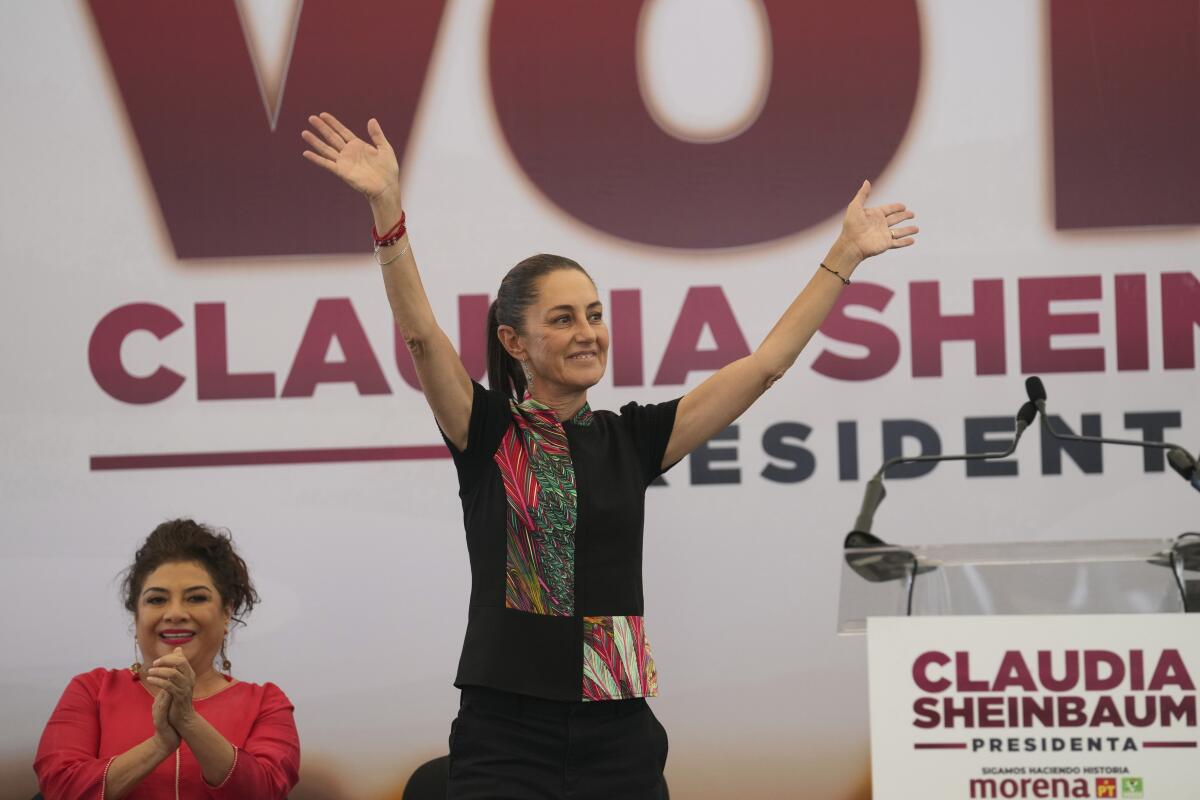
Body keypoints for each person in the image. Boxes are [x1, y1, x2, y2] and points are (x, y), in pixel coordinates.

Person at [301, 112, 917, 800]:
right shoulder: (487, 432)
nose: (588, 332)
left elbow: (767, 364)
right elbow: (420, 335)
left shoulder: (635, 438)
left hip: (620, 736)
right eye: (562, 319)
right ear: (515, 342)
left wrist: (844, 256)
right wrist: (388, 209)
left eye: (593, 314)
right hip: (505, 735)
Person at [34, 519, 300, 799]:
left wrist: (188, 722)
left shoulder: (267, 703)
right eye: (157, 600)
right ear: (136, 617)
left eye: (196, 598)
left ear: (226, 613)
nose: (174, 613)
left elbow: (266, 791)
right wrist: (160, 745)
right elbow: (59, 787)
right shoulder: (91, 690)